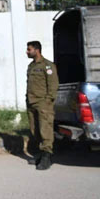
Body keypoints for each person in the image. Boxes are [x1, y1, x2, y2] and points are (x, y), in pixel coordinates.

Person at [26, 41, 59, 171]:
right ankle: (39, 154)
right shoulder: (31, 66)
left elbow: (53, 84)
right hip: (31, 102)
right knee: (35, 130)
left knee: (46, 130)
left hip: (43, 103)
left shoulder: (48, 66)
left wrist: (48, 100)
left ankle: (47, 157)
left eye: (29, 49)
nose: (27, 52)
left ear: (37, 50)